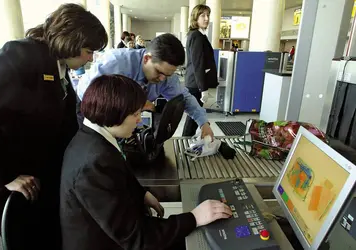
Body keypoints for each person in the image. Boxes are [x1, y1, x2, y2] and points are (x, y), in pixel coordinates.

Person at [60, 74, 232, 250]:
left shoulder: (94, 137)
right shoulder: (94, 163)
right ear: (114, 114)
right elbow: (137, 238)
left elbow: (118, 178)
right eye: (135, 114)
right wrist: (194, 217)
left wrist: (141, 194)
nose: (139, 120)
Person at [0, 3, 107, 247]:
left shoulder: (60, 67)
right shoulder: (21, 56)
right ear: (70, 41)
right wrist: (4, 176)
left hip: (44, 177)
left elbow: (67, 122)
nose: (90, 58)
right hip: (16, 181)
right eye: (88, 50)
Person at [77, 33, 215, 139]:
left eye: (167, 75)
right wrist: (130, 103)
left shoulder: (166, 77)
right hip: (92, 119)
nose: (162, 79)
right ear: (146, 58)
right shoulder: (115, 63)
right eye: (159, 72)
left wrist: (203, 123)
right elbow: (86, 93)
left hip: (124, 125)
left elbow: (184, 98)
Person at [182, 4, 219, 137]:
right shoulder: (197, 36)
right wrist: (203, 88)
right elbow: (198, 64)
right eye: (202, 15)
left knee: (193, 116)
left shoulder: (198, 35)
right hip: (196, 84)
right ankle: (185, 141)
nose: (206, 18)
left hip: (194, 82)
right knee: (194, 117)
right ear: (195, 18)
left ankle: (185, 140)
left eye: (208, 15)